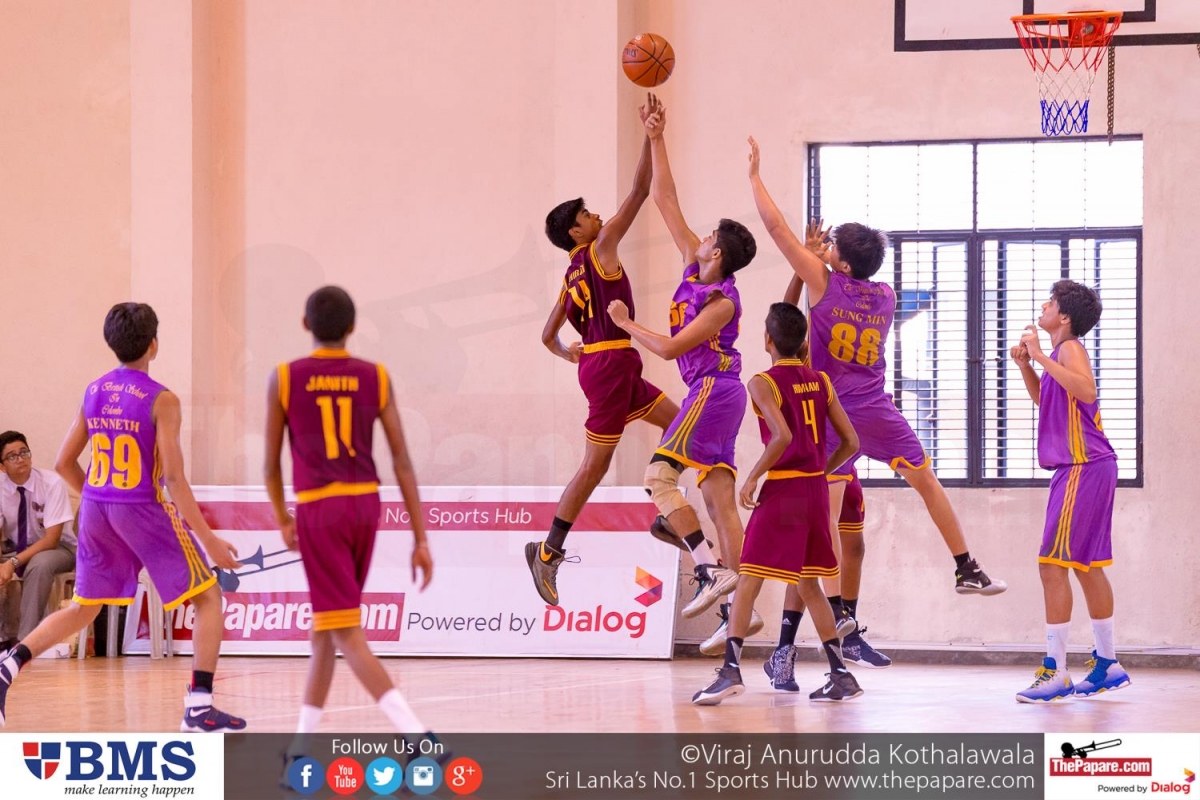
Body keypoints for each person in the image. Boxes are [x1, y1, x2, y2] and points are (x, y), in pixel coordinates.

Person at [747, 136, 1005, 598]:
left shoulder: (825, 284)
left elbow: (776, 228)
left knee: (825, 521)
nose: (826, 249)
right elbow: (832, 269)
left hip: (832, 414)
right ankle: (966, 566)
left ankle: (828, 617)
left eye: (832, 247)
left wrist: (754, 177)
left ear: (842, 263)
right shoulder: (885, 295)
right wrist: (822, 256)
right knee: (926, 480)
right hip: (875, 410)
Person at [0, 303, 245, 731]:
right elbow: (173, 478)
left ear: (110, 344)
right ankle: (199, 705)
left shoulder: (94, 390)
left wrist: (101, 496)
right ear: (153, 344)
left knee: (84, 607)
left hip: (96, 507)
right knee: (208, 597)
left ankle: (9, 665)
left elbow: (63, 463)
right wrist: (209, 539)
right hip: (141, 507)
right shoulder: (162, 399)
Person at [607, 100, 759, 639]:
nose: (702, 237)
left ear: (717, 255)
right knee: (718, 502)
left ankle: (709, 570)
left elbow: (671, 350)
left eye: (710, 237)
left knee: (658, 478)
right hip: (719, 393)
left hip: (712, 390)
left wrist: (626, 323)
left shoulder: (720, 301)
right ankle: (740, 611)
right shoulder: (695, 265)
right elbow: (664, 198)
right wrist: (656, 136)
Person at [265, 286, 437, 751]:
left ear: (306, 324)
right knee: (327, 626)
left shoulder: (285, 377)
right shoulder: (375, 376)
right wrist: (420, 539)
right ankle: (300, 748)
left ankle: (419, 736)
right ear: (353, 326)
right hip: (365, 505)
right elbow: (402, 460)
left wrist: (282, 518)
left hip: (320, 509)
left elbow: (270, 465)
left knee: (343, 629)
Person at [526, 94, 681, 606]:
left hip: (608, 363)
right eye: (587, 214)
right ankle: (548, 552)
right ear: (576, 230)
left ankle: (667, 509)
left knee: (684, 425)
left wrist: (572, 353)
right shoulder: (600, 248)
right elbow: (640, 191)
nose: (596, 215)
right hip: (611, 364)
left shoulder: (571, 274)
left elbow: (547, 336)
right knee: (594, 467)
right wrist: (652, 134)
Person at [692, 303, 863, 705]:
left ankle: (730, 671)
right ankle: (841, 675)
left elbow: (782, 435)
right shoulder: (820, 380)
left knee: (748, 577)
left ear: (767, 339)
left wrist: (753, 476)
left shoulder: (762, 382)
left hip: (785, 489)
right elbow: (852, 442)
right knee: (808, 583)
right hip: (815, 492)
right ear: (802, 343)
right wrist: (820, 470)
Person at [1011, 280, 1130, 702]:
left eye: (1050, 302)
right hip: (1091, 466)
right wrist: (1027, 366)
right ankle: (1108, 663)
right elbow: (1048, 400)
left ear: (1064, 316)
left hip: (1084, 466)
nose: (1043, 306)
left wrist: (1040, 355)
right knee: (1087, 565)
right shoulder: (1059, 355)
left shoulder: (1069, 348)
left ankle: (1055, 670)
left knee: (1051, 565)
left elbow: (1087, 390)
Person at [0, 432, 77, 651]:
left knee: (40, 564)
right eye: (12, 456)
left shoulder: (51, 483)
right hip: (15, 547)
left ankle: (25, 643)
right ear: (2, 467)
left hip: (59, 548)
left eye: (24, 452)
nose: (21, 459)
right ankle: (2, 639)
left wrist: (12, 563)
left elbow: (51, 539)